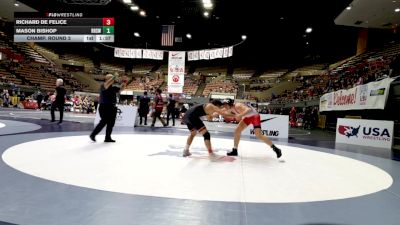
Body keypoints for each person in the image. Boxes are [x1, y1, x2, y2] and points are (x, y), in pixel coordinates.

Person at [90, 74, 128, 142]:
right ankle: (93, 134)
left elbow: (122, 89)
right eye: (111, 78)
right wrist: (114, 76)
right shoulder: (103, 85)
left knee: (111, 123)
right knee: (104, 121)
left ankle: (107, 137)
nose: (113, 80)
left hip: (112, 107)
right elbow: (108, 83)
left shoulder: (113, 87)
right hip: (104, 107)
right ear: (107, 79)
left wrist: (124, 82)